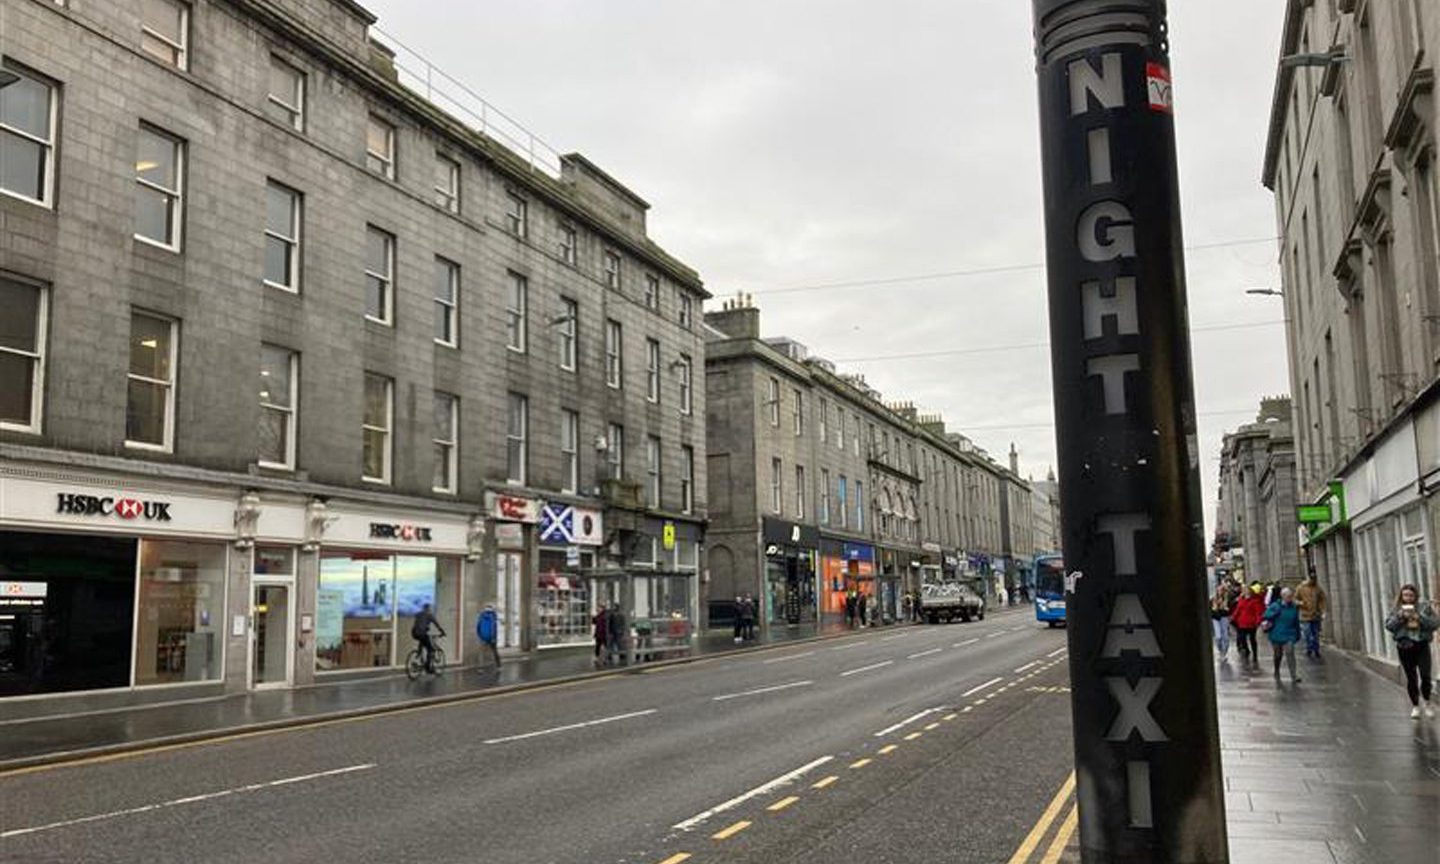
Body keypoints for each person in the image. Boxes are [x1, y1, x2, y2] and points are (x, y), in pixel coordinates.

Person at [1384, 584, 1437, 719]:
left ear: (1416, 596)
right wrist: (1400, 617)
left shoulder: (1424, 607)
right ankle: (1415, 706)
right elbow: (1389, 626)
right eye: (1405, 595)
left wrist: (1420, 617)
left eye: (1411, 595)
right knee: (1411, 677)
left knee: (1426, 676)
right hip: (1405, 646)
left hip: (1422, 645)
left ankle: (1427, 702)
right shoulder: (1397, 609)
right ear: (1401, 596)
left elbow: (1435, 624)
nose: (1408, 598)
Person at [1262, 586, 1302, 683]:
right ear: (1283, 596)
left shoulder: (1294, 607)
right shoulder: (1275, 606)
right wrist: (1275, 612)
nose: (1290, 598)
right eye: (1288, 596)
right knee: (1278, 655)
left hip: (1289, 635)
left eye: (1291, 596)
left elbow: (1296, 621)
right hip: (1276, 634)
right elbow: (1265, 615)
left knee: (1290, 653)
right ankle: (1276, 670)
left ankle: (1294, 675)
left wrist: (1298, 634)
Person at [1231, 582, 1265, 665]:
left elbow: (1258, 612)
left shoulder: (1255, 601)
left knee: (1252, 639)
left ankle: (1255, 654)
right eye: (1244, 590)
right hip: (1242, 622)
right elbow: (1238, 610)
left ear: (1250, 592)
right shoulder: (1241, 600)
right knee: (1242, 638)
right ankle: (1246, 650)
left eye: (1247, 590)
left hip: (1251, 623)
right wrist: (1233, 617)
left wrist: (1258, 621)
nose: (1245, 592)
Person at [1296, 574, 1328, 658]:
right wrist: (1300, 603)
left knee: (1316, 634)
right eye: (1312, 579)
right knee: (1307, 633)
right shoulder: (1301, 588)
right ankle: (1309, 647)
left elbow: (1322, 599)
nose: (1314, 581)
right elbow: (1295, 599)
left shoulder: (1317, 588)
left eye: (1315, 579)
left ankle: (1316, 649)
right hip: (1305, 615)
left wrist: (1323, 610)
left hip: (1315, 614)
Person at [411, 603, 445, 673]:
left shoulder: (418, 614)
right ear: (428, 609)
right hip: (422, 634)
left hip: (414, 633)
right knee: (431, 650)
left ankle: (419, 653)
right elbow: (436, 624)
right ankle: (428, 668)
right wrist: (442, 631)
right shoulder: (429, 615)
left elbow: (419, 624)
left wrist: (426, 628)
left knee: (422, 640)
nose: (430, 610)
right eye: (430, 608)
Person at [1209, 581, 1232, 660]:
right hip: (1215, 618)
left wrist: (1226, 608)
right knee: (1218, 636)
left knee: (1225, 636)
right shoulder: (1213, 599)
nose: (1220, 592)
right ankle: (1220, 650)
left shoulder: (1227, 599)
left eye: (1222, 590)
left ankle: (1224, 652)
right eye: (1219, 590)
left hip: (1224, 617)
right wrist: (1214, 609)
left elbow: (1231, 609)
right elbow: (1209, 609)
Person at [592, 602, 610, 667]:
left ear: (602, 608)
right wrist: (593, 618)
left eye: (599, 607)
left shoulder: (604, 615)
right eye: (597, 607)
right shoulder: (599, 615)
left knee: (604, 646)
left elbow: (604, 624)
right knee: (598, 646)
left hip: (604, 633)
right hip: (599, 633)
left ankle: (605, 658)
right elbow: (594, 622)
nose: (597, 609)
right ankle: (598, 658)